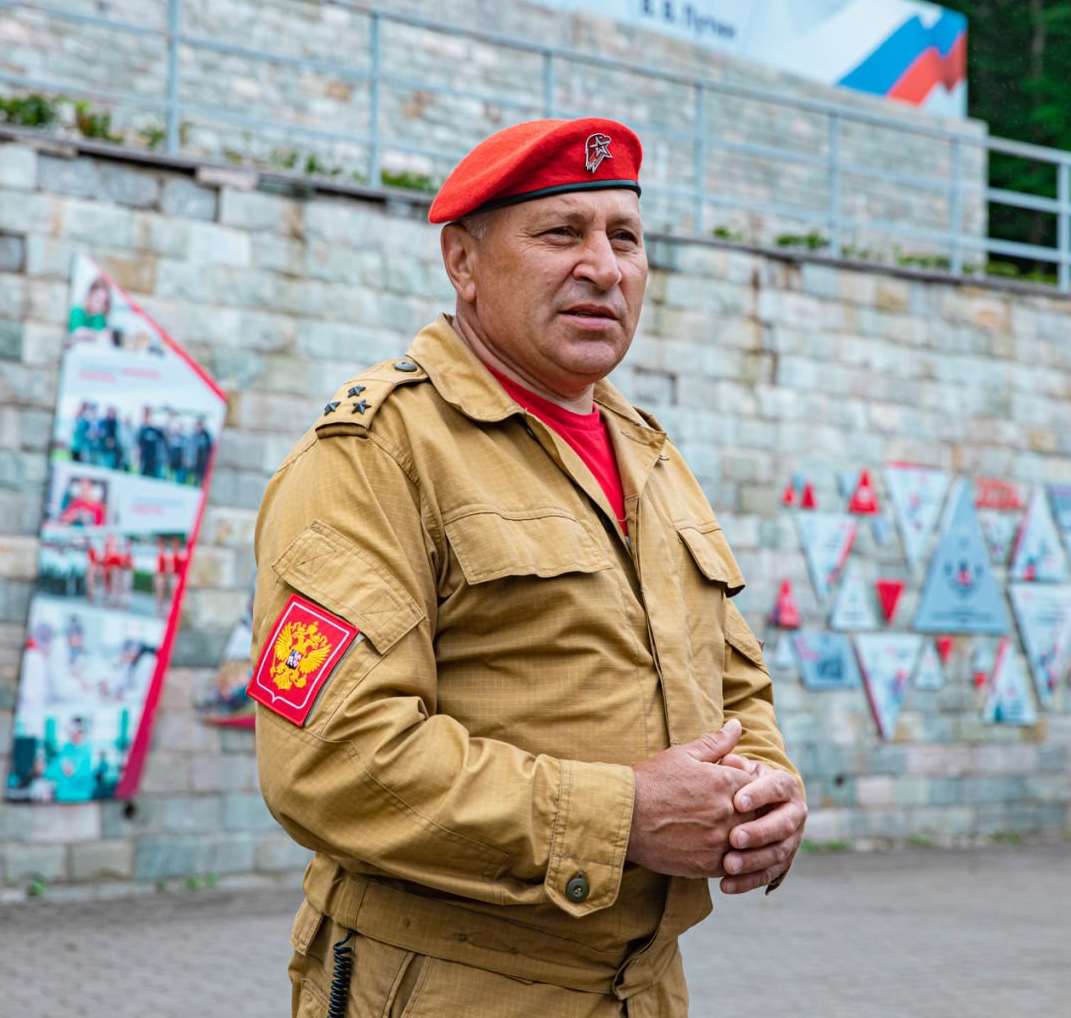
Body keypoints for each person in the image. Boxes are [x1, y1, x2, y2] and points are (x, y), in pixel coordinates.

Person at [250, 118, 805, 1016]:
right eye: (561, 233)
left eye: (625, 237)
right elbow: (330, 759)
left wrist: (767, 791)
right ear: (463, 262)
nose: (604, 267)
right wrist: (624, 814)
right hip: (449, 987)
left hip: (642, 988)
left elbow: (733, 681)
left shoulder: (646, 454)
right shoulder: (377, 452)